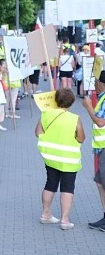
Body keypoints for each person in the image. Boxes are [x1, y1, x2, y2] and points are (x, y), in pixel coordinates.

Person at [36, 88, 84, 230]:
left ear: (56, 100)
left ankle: (46, 214)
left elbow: (38, 132)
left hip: (50, 157)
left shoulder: (46, 114)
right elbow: (81, 138)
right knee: (67, 188)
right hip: (69, 159)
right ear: (72, 102)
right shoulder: (75, 118)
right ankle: (64, 220)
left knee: (50, 184)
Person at [83, 89, 105, 230]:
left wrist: (89, 107)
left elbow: (100, 122)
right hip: (101, 147)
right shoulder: (101, 97)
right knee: (100, 183)